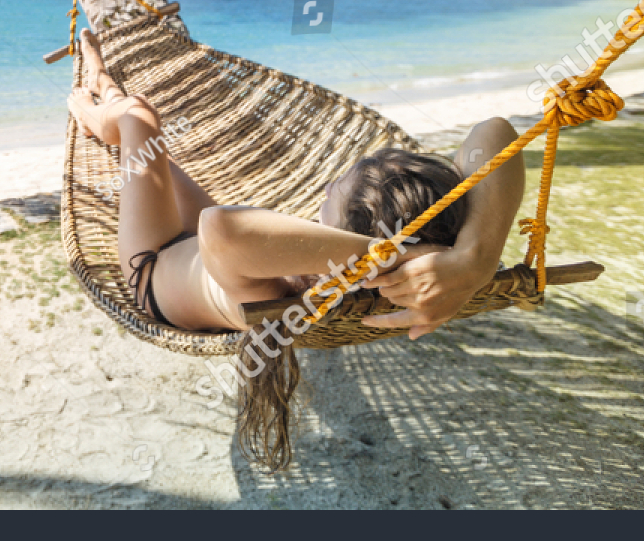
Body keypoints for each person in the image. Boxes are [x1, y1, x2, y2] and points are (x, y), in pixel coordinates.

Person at [66, 28, 527, 468]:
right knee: (153, 153)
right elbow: (494, 132)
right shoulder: (406, 263)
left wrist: (392, 255)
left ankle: (101, 104)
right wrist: (475, 258)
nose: (324, 190)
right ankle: (106, 90)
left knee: (140, 121)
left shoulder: (297, 283)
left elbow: (221, 227)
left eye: (332, 194)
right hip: (202, 259)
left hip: (156, 263)